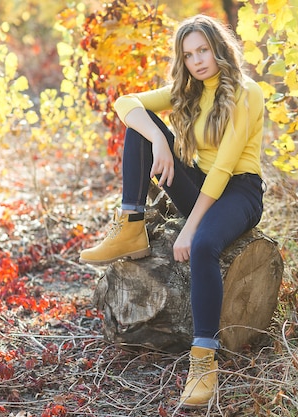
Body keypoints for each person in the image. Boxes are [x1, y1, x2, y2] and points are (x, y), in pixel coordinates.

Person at [79, 14, 265, 407]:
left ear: (219, 48)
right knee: (139, 126)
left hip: (239, 191)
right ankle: (131, 225)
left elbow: (225, 168)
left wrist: (190, 227)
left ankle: (203, 361)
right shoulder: (191, 89)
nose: (198, 60)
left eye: (204, 50)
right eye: (189, 54)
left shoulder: (246, 93)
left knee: (202, 247)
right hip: (200, 183)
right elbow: (125, 102)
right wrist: (159, 143)